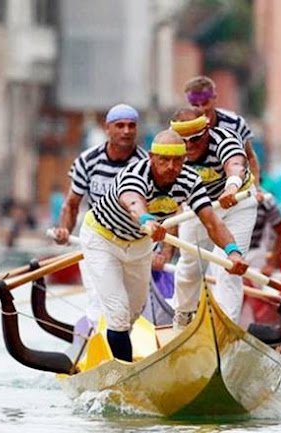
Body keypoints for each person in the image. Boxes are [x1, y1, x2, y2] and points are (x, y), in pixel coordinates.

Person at [79, 129, 248, 361]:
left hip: (139, 243)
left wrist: (233, 252)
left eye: (177, 161)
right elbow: (133, 202)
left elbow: (212, 222)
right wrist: (146, 220)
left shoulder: (190, 180)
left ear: (184, 160)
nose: (171, 167)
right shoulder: (134, 175)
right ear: (151, 158)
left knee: (134, 311)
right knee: (118, 313)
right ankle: (126, 374)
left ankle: (116, 355)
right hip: (102, 239)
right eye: (164, 160)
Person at [52, 104, 147, 323]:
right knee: (101, 299)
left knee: (133, 307)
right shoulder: (87, 161)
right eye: (120, 126)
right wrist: (64, 229)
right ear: (108, 128)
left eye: (131, 126)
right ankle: (100, 343)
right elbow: (72, 204)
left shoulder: (144, 164)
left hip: (134, 241)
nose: (126, 131)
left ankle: (124, 342)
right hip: (98, 239)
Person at [167, 106, 257, 327]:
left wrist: (231, 186)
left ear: (207, 130)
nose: (189, 147)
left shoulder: (225, 139)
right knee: (189, 265)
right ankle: (183, 319)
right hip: (198, 207)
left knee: (228, 267)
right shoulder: (172, 150)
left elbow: (235, 164)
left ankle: (225, 326)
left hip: (236, 204)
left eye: (195, 139)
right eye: (183, 141)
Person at [183, 76, 261, 185]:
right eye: (195, 105)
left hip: (232, 189)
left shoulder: (234, 124)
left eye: (205, 103)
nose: (201, 109)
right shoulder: (179, 128)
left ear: (215, 98)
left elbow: (250, 157)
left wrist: (256, 186)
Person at [246, 190, 281, 277]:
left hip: (255, 253)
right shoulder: (224, 195)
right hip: (226, 254)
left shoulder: (266, 199)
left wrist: (272, 264)